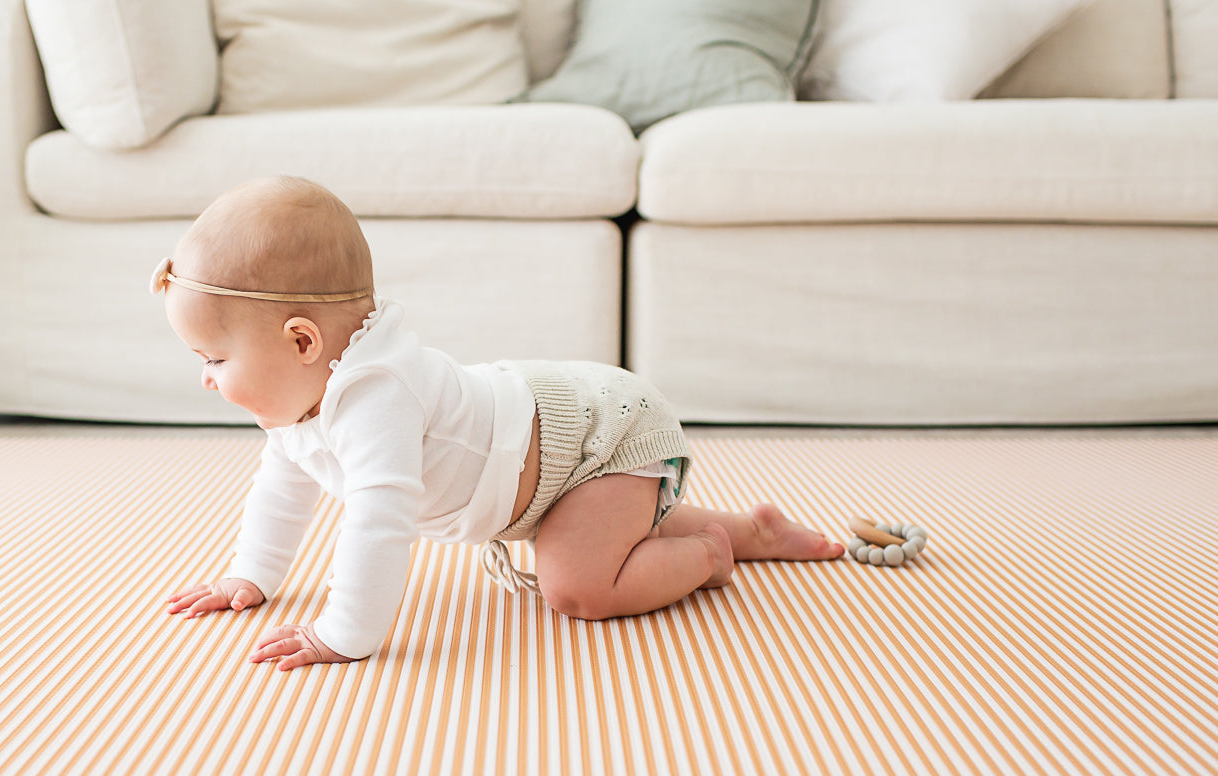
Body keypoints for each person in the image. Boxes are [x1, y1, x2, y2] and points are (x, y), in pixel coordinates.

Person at [156, 176, 844, 671]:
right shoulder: (302, 401)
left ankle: (707, 557)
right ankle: (752, 530)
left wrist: (344, 630)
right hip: (552, 472)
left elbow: (378, 516)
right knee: (593, 535)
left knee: (574, 584)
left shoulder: (377, 395)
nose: (207, 377)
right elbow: (284, 484)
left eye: (215, 357)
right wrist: (251, 575)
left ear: (303, 342)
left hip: (599, 441)